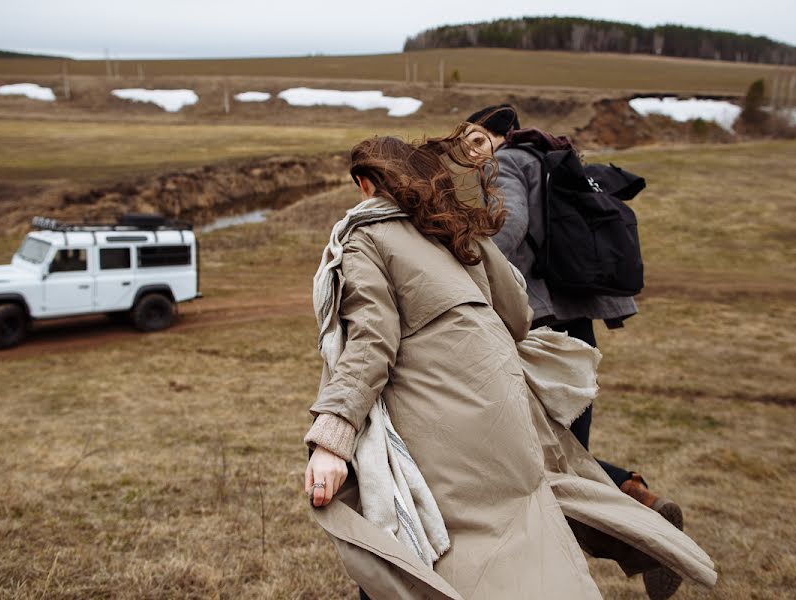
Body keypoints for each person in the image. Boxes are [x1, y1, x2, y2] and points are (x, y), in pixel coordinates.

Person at [302, 136, 716, 599]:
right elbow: (518, 315)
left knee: (414, 545)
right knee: (531, 518)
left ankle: (644, 538)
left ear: (365, 183)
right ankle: (648, 540)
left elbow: (372, 342)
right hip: (505, 402)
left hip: (439, 416)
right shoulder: (455, 225)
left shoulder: (364, 235)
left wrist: (334, 437)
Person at [463, 104, 684, 598]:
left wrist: (462, 244)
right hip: (576, 325)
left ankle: (639, 524)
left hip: (539, 332)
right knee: (563, 457)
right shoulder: (550, 160)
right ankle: (637, 501)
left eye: (475, 138)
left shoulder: (504, 164)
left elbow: (509, 227)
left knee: (537, 462)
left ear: (498, 136)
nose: (469, 150)